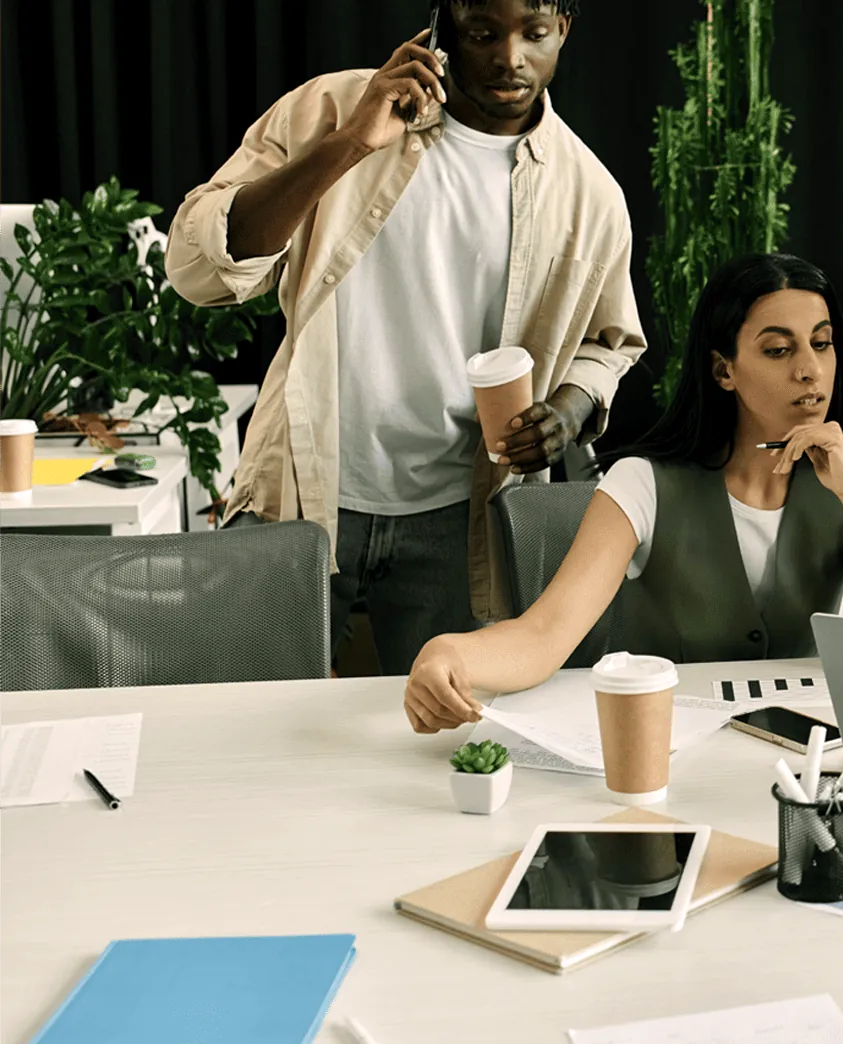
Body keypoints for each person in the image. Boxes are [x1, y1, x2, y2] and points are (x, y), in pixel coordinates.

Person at [165, 0, 644, 672]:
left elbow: (608, 341)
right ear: (437, 32)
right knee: (256, 718)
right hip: (300, 492)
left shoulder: (588, 191)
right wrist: (352, 142)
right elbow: (195, 270)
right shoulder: (328, 110)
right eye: (482, 34)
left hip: (460, 518)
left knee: (436, 745)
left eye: (534, 34)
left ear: (564, 31)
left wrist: (566, 409)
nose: (510, 59)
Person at [403, 253, 843, 733]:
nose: (810, 369)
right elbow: (543, 637)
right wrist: (448, 653)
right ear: (725, 370)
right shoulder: (642, 483)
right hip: (659, 745)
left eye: (821, 343)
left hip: (796, 757)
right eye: (777, 349)